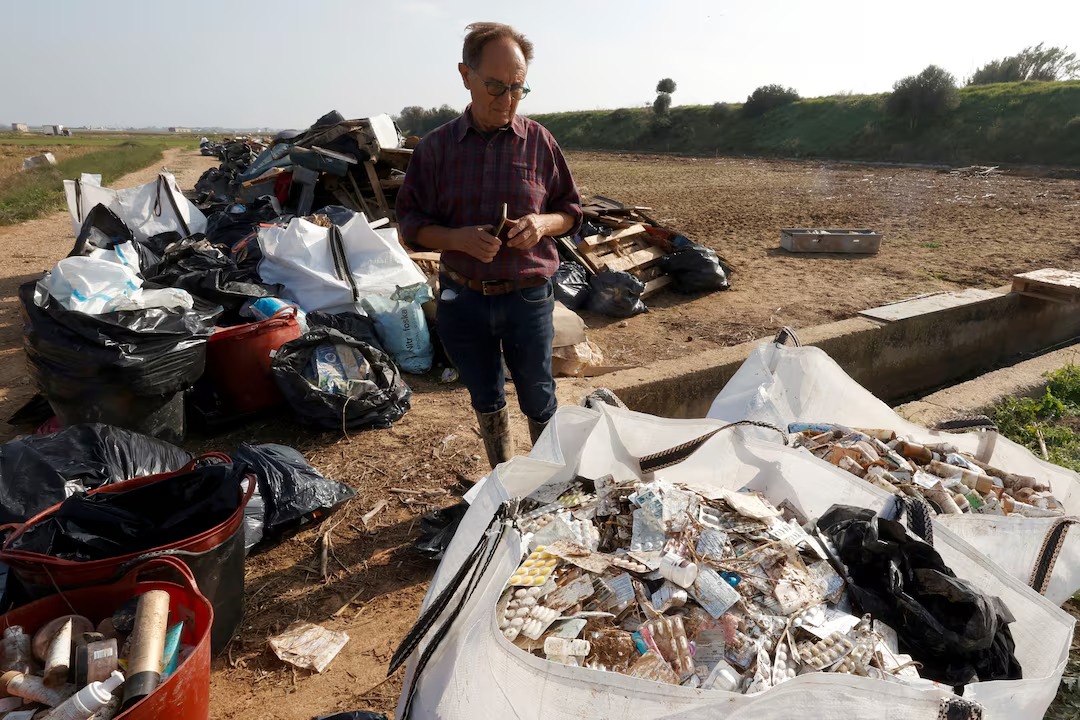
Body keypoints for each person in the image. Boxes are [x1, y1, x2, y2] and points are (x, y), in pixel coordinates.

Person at [397, 22, 582, 469]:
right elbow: (410, 226)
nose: (507, 99)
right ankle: (504, 476)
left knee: (539, 395)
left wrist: (541, 223)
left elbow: (572, 212)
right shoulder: (436, 149)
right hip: (463, 299)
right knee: (485, 396)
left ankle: (547, 480)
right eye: (495, 86)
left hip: (528, 297)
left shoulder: (539, 142)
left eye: (518, 88)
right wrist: (454, 238)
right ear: (466, 75)